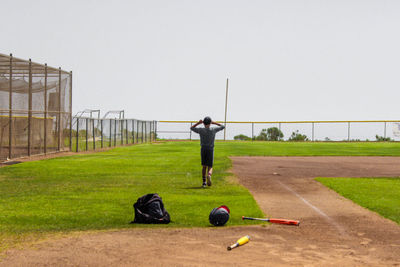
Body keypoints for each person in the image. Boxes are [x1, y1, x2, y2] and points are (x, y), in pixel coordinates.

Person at [190, 116, 225, 187]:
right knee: (210, 166)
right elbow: (223, 126)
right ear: (210, 123)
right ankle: (209, 175)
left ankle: (204, 182)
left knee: (204, 166)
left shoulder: (201, 130)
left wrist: (198, 123)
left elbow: (191, 128)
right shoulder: (213, 129)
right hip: (210, 149)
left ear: (203, 123)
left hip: (203, 149)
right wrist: (214, 122)